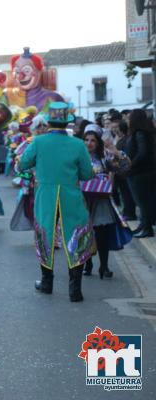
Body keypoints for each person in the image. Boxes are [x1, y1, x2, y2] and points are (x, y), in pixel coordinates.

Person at [19, 102, 94, 302]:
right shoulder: (78, 144)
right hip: (71, 194)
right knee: (75, 235)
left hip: (46, 195)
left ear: (49, 121)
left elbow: (21, 164)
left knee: (45, 235)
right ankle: (75, 289)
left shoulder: (38, 142)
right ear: (67, 122)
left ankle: (46, 283)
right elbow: (87, 174)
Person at [81, 127, 132, 279]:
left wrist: (117, 152)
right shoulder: (77, 158)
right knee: (85, 234)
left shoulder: (105, 158)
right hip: (82, 201)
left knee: (102, 235)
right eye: (86, 140)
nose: (89, 143)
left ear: (98, 143)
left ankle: (104, 266)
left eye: (93, 141)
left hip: (102, 201)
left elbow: (126, 167)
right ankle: (87, 264)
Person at [126, 109, 156, 238]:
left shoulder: (140, 133)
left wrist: (131, 164)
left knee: (143, 202)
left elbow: (142, 153)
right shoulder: (141, 133)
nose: (127, 120)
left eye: (129, 117)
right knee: (142, 201)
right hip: (141, 172)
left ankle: (147, 228)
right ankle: (144, 225)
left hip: (140, 173)